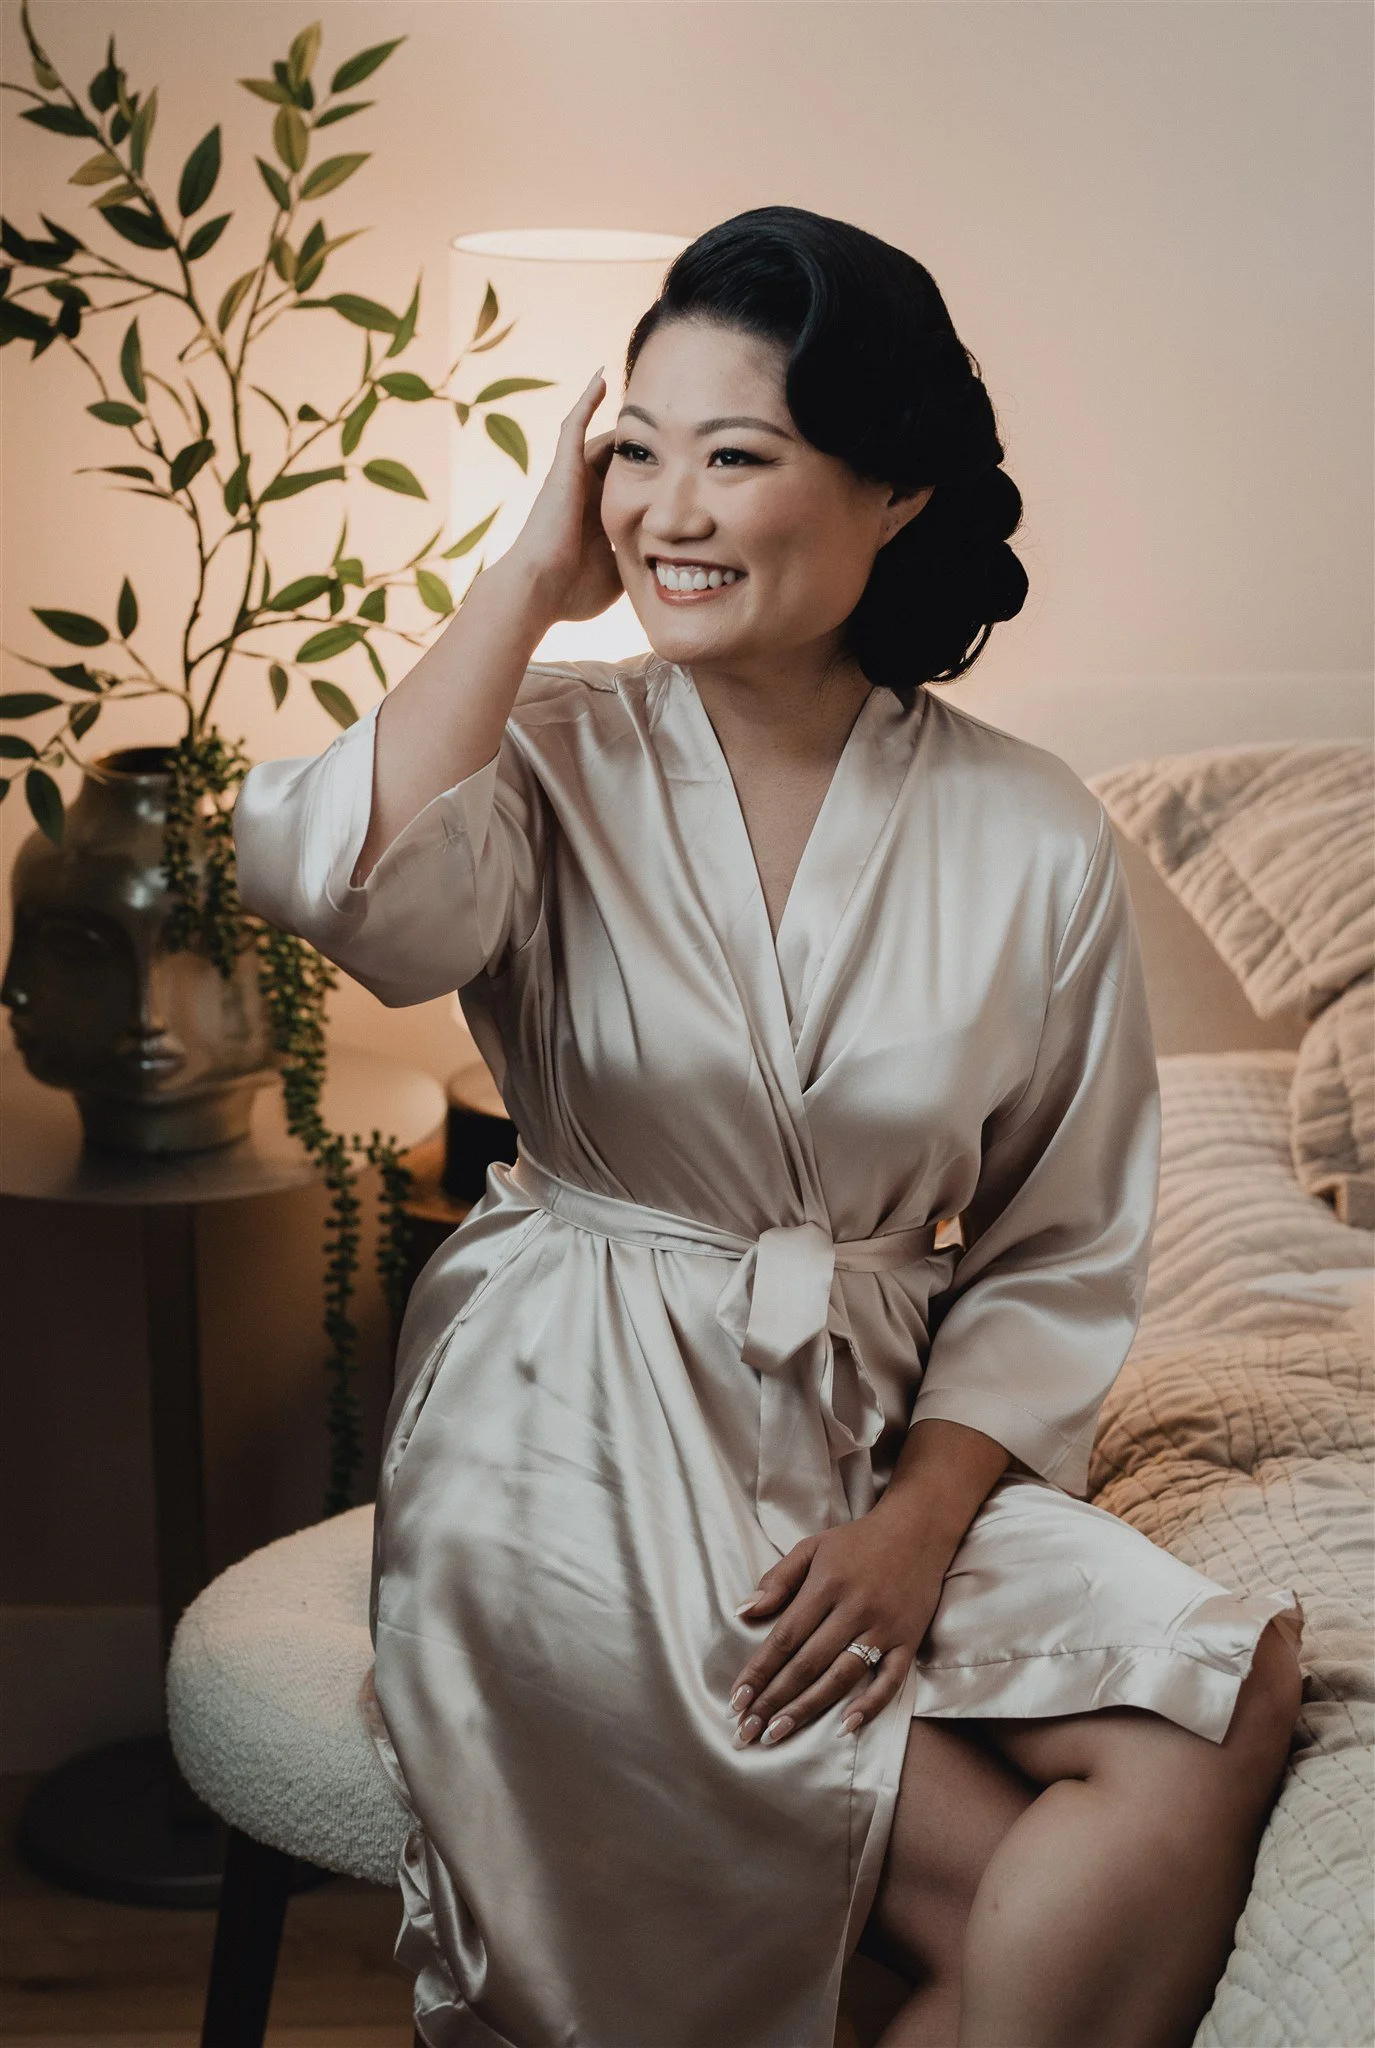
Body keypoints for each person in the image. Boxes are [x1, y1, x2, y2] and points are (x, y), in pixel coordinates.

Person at [233, 206, 1305, 2048]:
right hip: (568, 1416)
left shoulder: (1030, 830)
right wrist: (521, 582)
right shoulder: (549, 753)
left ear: (890, 492)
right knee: (988, 1919)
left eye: (738, 456)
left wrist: (912, 1524)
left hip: (875, 1424)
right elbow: (347, 889)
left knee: (1216, 1696)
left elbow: (1055, 1246)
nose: (670, 510)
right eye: (632, 453)